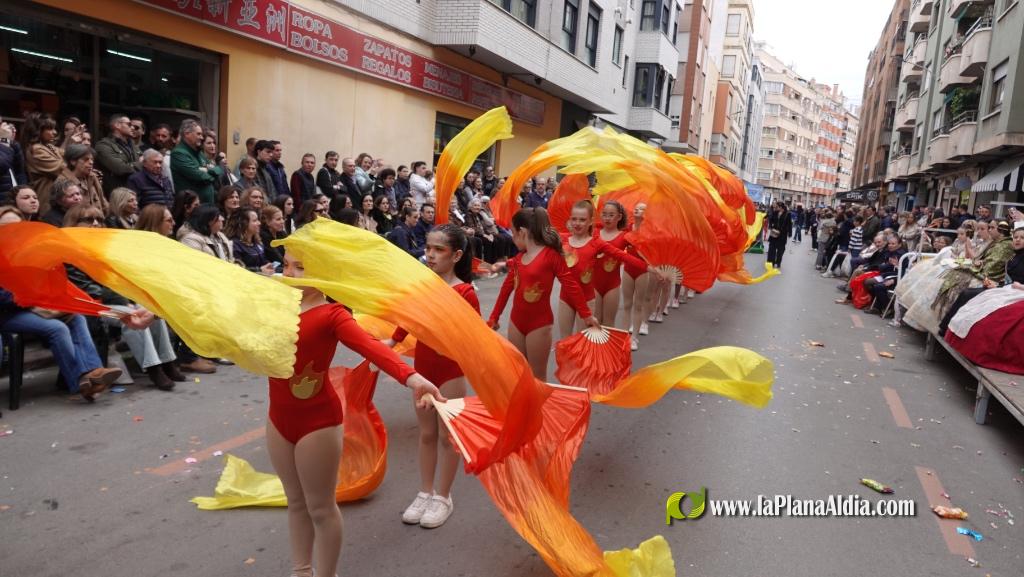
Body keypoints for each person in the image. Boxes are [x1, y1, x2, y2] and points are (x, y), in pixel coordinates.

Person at [265, 251, 442, 577]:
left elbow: (371, 346)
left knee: (319, 507)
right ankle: (301, 570)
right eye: (286, 264)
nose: (289, 272)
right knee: (295, 502)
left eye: (300, 267)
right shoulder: (273, 306)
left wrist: (413, 378)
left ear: (322, 274)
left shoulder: (331, 314)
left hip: (317, 423)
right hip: (278, 420)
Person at [384, 224, 477, 529]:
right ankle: (425, 491)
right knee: (426, 434)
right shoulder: (425, 286)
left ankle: (444, 497)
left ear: (457, 255)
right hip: (423, 370)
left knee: (447, 437)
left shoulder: (464, 292)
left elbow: (474, 337)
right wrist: (392, 342)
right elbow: (411, 317)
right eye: (428, 248)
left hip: (450, 370)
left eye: (439, 250)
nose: (431, 255)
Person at [0, 208, 123, 401]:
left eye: (18, 225)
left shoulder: (27, 251)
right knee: (57, 328)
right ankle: (79, 381)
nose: (13, 229)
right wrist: (31, 301)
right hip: (9, 313)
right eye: (6, 226)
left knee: (76, 316)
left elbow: (45, 282)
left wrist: (51, 301)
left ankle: (94, 371)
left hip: (35, 306)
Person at [64, 205, 181, 391]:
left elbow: (123, 279)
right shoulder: (70, 252)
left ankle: (168, 362)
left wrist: (131, 296)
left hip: (114, 300)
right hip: (92, 306)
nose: (95, 224)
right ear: (74, 223)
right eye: (88, 220)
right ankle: (153, 368)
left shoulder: (105, 248)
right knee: (129, 315)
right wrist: (122, 299)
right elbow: (87, 288)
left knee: (150, 309)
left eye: (99, 220)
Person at [488, 207, 598, 380]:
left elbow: (571, 286)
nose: (512, 238)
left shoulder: (551, 256)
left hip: (539, 325)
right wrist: (494, 317)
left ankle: (540, 408)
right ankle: (526, 407)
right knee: (520, 374)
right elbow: (506, 289)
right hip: (516, 323)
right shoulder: (518, 259)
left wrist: (586, 315)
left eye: (513, 232)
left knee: (537, 377)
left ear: (522, 232)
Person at [558, 201, 660, 339]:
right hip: (570, 295)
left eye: (582, 220)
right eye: (574, 219)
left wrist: (651, 268)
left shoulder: (598, 241)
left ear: (590, 221)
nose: (577, 223)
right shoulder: (563, 239)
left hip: (598, 291)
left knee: (587, 336)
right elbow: (541, 237)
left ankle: (610, 349)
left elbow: (624, 255)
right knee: (566, 339)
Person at [936, 220, 1015, 335]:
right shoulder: (997, 242)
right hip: (985, 274)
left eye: (991, 228)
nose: (988, 230)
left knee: (959, 286)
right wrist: (974, 263)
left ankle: (947, 327)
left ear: (1001, 230)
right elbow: (984, 261)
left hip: (992, 279)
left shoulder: (1004, 245)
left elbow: (990, 268)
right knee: (948, 275)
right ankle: (944, 324)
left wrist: (969, 265)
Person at [23, 113, 74, 213]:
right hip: (48, 201)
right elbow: (61, 168)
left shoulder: (49, 146)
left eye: (54, 129)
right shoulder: (36, 149)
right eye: (50, 129)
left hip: (59, 198)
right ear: (38, 130)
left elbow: (68, 155)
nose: (54, 132)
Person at [170, 119, 217, 205]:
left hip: (206, 205)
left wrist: (206, 170)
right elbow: (199, 176)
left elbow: (218, 170)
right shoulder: (178, 153)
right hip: (192, 206)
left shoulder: (199, 153)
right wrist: (211, 174)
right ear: (187, 134)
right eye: (198, 134)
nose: (201, 137)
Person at [94, 113, 141, 194]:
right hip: (116, 194)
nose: (133, 127)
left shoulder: (133, 145)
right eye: (129, 124)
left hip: (135, 191)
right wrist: (141, 164)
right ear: (117, 125)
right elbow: (120, 169)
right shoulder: (103, 145)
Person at [225, 207, 276, 276]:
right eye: (255, 221)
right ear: (243, 224)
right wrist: (259, 270)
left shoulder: (257, 242)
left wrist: (270, 266)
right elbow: (238, 269)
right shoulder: (234, 245)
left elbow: (263, 262)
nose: (259, 223)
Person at [0, 119, 26, 201]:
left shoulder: (5, 145)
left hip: (13, 201)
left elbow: (20, 171)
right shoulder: (3, 143)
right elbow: (1, 165)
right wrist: (4, 140)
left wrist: (11, 141)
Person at [766, 202, 792, 270]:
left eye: (777, 207)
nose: (776, 208)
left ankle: (778, 262)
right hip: (774, 233)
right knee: (772, 248)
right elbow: (771, 219)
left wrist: (790, 233)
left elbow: (789, 224)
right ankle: (770, 262)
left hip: (782, 234)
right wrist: (771, 225)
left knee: (781, 249)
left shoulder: (787, 214)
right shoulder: (775, 212)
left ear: (781, 207)